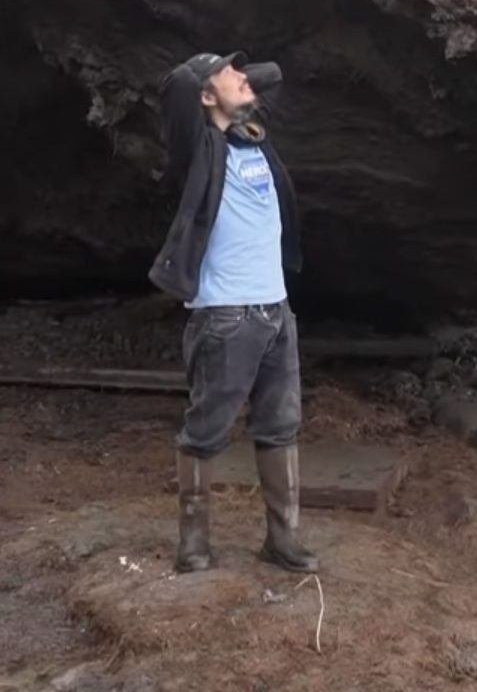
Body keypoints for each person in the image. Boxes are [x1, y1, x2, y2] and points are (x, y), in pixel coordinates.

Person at [148, 50, 318, 575]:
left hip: (275, 313)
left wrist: (229, 77)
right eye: (228, 74)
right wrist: (206, 74)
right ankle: (194, 543)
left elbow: (275, 75)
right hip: (225, 314)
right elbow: (176, 87)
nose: (244, 79)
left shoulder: (255, 138)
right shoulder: (199, 147)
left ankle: (283, 539)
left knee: (281, 426)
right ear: (204, 96)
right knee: (205, 431)